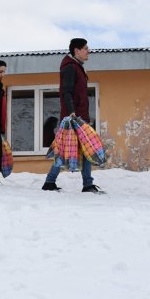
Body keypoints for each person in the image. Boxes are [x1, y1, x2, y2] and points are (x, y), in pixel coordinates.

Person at [42, 38, 104, 194]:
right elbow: (66, 91)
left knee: (80, 149)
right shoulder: (70, 67)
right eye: (85, 48)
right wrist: (71, 112)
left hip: (79, 115)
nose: (88, 51)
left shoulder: (77, 67)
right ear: (76, 50)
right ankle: (86, 184)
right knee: (80, 148)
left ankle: (51, 182)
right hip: (74, 117)